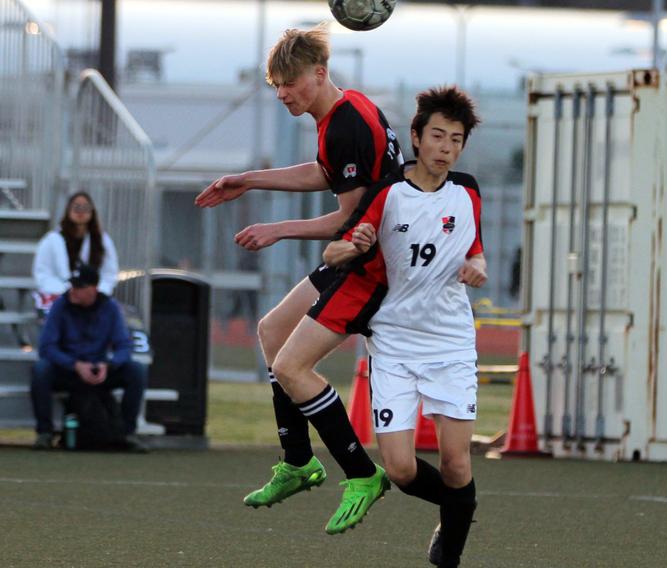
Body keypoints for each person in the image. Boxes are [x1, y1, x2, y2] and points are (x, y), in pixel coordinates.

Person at [194, 23, 401, 534]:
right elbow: (326, 172)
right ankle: (298, 463)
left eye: (291, 82)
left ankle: (361, 473)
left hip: (374, 263)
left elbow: (347, 222)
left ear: (320, 73)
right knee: (270, 331)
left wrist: (277, 229)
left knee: (292, 366)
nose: (284, 93)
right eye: (277, 85)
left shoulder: (348, 121)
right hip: (357, 255)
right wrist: (249, 180)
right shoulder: (340, 111)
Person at [323, 86, 484, 567]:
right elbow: (332, 253)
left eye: (456, 140)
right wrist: (354, 246)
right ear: (416, 137)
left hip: (451, 341)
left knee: (457, 462)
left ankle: (448, 552)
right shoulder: (388, 193)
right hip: (393, 342)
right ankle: (461, 507)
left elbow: (475, 252)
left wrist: (479, 267)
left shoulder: (468, 191)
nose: (446, 148)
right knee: (398, 467)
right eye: (437, 135)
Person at [29, 264, 148, 452]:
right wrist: (74, 365)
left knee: (136, 371)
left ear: (93, 289)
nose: (73, 291)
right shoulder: (60, 306)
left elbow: (124, 345)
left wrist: (108, 365)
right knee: (41, 370)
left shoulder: (110, 308)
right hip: (68, 370)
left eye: (79, 287)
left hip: (98, 369)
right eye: (72, 286)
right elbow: (47, 347)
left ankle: (127, 433)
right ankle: (45, 433)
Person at [32, 192, 120, 313]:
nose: (81, 211)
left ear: (92, 212)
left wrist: (94, 292)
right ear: (68, 210)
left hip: (94, 300)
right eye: (76, 207)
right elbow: (43, 273)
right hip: (59, 299)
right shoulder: (51, 241)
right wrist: (67, 291)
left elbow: (109, 273)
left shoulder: (102, 241)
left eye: (85, 208)